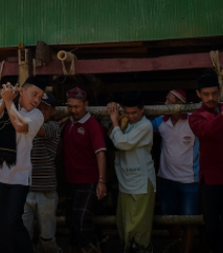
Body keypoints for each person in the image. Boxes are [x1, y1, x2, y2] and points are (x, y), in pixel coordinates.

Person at [0, 77, 46, 253]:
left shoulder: (36, 115)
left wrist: (9, 101)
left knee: (12, 221)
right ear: (22, 91)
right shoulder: (5, 103)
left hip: (19, 178)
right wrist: (5, 100)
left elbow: (19, 125)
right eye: (34, 94)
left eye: (40, 97)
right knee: (0, 225)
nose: (36, 100)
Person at [188, 73, 223, 253]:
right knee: (211, 226)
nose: (211, 98)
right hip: (210, 180)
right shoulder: (195, 116)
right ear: (198, 94)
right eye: (206, 94)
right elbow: (209, 130)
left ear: (219, 92)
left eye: (214, 93)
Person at [151, 89, 198, 253]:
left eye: (170, 101)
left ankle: (185, 250)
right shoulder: (160, 121)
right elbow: (142, 128)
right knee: (168, 217)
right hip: (166, 178)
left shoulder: (193, 120)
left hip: (190, 180)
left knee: (189, 219)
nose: (166, 104)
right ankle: (179, 245)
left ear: (180, 104)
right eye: (166, 99)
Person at [108, 91, 155, 253]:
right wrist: (117, 117)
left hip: (141, 181)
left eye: (134, 112)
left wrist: (115, 123)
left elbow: (122, 143)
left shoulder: (145, 125)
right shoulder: (125, 123)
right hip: (125, 180)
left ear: (142, 110)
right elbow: (111, 140)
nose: (131, 116)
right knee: (125, 222)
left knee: (139, 224)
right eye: (127, 112)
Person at [63, 87, 107, 253]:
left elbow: (100, 152)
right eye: (70, 106)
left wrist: (101, 181)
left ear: (86, 104)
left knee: (82, 222)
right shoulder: (67, 123)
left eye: (77, 107)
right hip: (71, 181)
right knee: (72, 224)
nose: (73, 110)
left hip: (89, 181)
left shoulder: (92, 125)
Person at [23, 92, 61, 253]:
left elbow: (34, 128)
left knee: (47, 238)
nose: (40, 111)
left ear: (53, 111)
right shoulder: (28, 125)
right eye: (38, 108)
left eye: (45, 109)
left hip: (46, 190)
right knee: (24, 235)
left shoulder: (53, 127)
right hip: (25, 189)